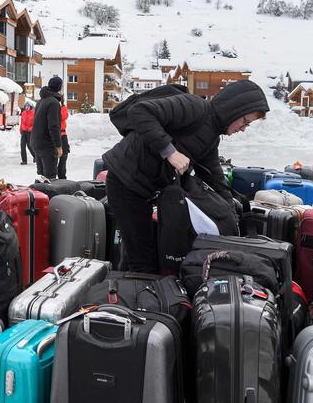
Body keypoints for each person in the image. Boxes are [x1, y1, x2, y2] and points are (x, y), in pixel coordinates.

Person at [101, 80, 268, 273]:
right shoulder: (195, 107)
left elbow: (214, 174)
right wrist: (170, 151)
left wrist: (231, 207)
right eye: (245, 121)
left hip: (143, 189)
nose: (243, 128)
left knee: (136, 253)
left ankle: (124, 293)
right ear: (235, 110)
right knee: (142, 258)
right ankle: (138, 299)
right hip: (125, 181)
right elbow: (141, 111)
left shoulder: (211, 135)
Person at [31, 76, 65, 179]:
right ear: (59, 87)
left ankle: (41, 194)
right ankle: (48, 195)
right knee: (50, 178)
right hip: (47, 146)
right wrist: (58, 146)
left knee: (42, 177)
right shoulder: (53, 103)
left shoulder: (41, 101)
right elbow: (53, 126)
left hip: (37, 143)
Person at [19, 101, 36, 166]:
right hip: (24, 131)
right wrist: (21, 129)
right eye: (26, 106)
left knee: (30, 146)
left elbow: (35, 123)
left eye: (28, 106)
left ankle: (35, 157)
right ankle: (24, 160)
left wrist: (31, 128)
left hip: (30, 132)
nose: (27, 108)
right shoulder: (23, 113)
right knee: (22, 146)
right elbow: (22, 122)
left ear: (31, 107)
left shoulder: (34, 113)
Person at [58, 101, 70, 180]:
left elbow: (63, 116)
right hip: (53, 135)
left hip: (62, 135)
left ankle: (62, 176)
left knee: (64, 156)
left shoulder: (63, 108)